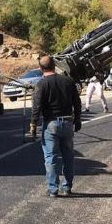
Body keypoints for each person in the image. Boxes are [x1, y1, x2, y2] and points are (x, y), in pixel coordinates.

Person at [29, 55, 83, 197]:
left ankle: (53, 189)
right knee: (68, 157)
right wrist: (78, 120)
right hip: (67, 123)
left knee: (50, 158)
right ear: (54, 65)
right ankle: (67, 187)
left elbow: (37, 106)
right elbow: (77, 103)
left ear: (41, 68)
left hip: (51, 124)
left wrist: (33, 126)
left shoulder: (42, 84)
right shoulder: (68, 81)